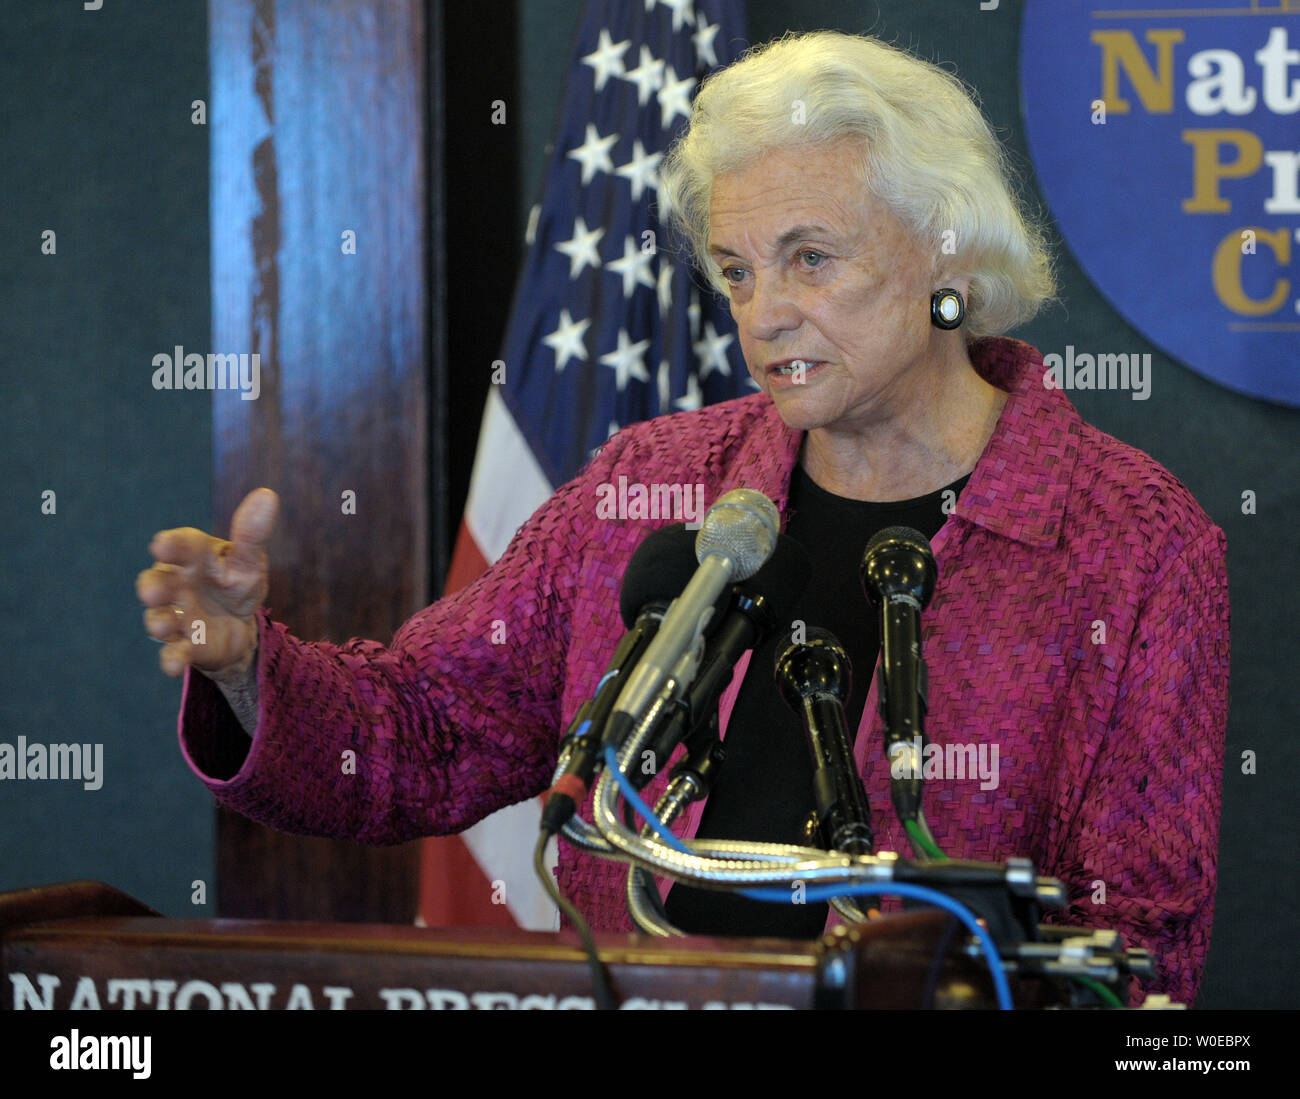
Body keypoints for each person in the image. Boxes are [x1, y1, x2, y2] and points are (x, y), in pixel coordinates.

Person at [136, 31, 1229, 1006]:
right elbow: (424, 732)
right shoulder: (652, 482)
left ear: (944, 245)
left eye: (810, 258)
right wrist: (245, 671)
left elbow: (1135, 955)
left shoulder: (1128, 540)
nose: (763, 315)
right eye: (735, 269)